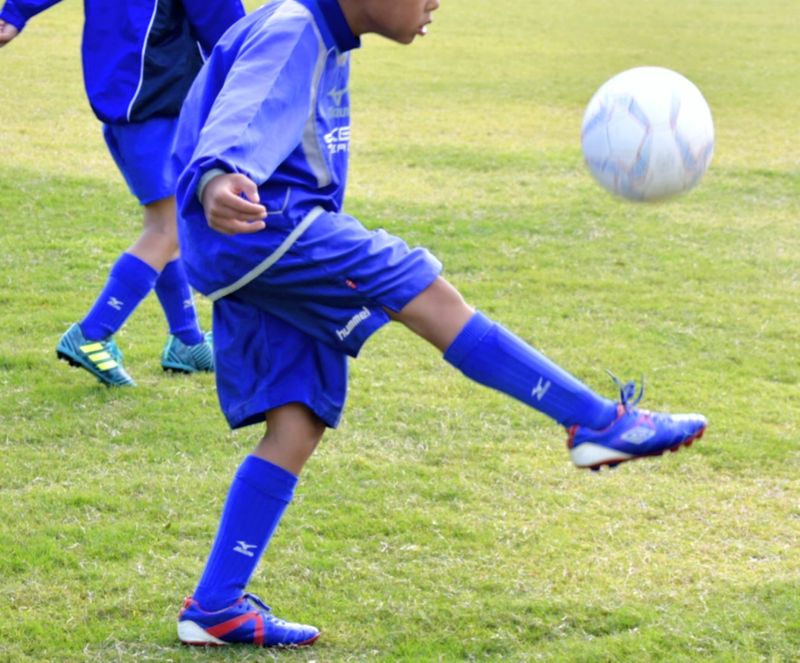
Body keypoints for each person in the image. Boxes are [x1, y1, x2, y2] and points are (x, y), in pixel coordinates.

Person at [170, 0, 708, 648]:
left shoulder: (322, 36)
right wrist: (218, 179)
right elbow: (239, 120)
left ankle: (216, 604)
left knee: (297, 421)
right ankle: (597, 422)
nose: (435, 4)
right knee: (425, 292)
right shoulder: (294, 28)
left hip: (249, 246)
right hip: (272, 230)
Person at [0, 0, 246, 386]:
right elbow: (223, 21)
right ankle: (93, 333)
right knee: (169, 230)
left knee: (166, 225)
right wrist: (251, 63)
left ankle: (187, 340)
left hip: (123, 104)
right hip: (157, 101)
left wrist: (16, 13)